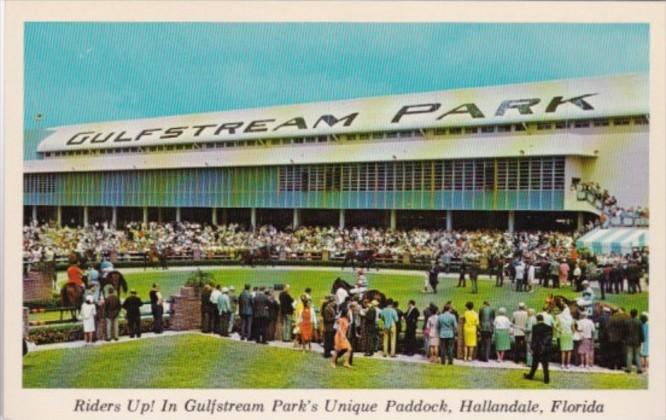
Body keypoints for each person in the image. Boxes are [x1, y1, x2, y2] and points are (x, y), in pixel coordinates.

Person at [523, 314, 553, 384]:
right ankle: (546, 379)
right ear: (543, 319)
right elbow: (549, 339)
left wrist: (532, 348)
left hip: (537, 348)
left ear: (537, 320)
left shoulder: (535, 327)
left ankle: (530, 376)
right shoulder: (549, 327)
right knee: (545, 365)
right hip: (546, 348)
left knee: (534, 364)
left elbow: (534, 339)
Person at [624, 309, 643, 374]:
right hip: (637, 341)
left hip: (629, 340)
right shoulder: (639, 322)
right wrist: (642, 340)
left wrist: (625, 339)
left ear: (630, 314)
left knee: (629, 354)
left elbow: (625, 332)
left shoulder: (627, 322)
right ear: (636, 314)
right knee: (637, 355)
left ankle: (628, 368)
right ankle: (639, 369)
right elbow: (641, 332)